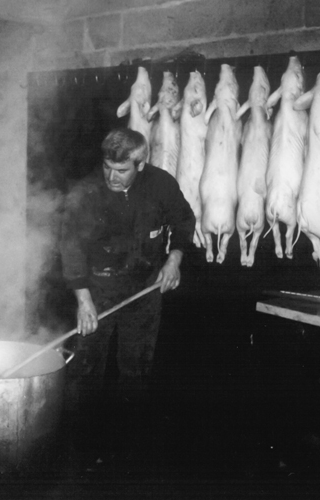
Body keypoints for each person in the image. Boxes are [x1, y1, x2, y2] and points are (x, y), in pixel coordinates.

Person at [59, 127, 195, 453]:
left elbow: (184, 221)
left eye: (122, 170)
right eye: (108, 166)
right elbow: (71, 247)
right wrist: (84, 301)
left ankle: (128, 445)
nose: (112, 176)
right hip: (98, 287)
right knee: (87, 367)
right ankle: (78, 444)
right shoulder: (85, 193)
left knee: (135, 367)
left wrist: (173, 261)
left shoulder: (161, 185)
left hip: (144, 288)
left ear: (141, 164)